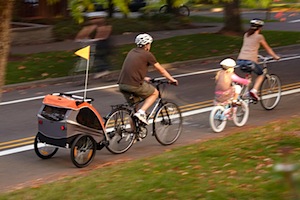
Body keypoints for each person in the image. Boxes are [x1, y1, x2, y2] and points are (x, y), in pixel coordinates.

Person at [118, 33, 178, 125]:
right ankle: (142, 112)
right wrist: (171, 79)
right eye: (149, 44)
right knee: (154, 93)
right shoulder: (147, 54)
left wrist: (143, 77)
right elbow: (161, 70)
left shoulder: (132, 52)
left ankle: (133, 134)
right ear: (147, 45)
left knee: (134, 110)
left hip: (122, 84)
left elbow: (131, 68)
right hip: (134, 85)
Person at [236, 18, 280, 100]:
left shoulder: (246, 35)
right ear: (260, 28)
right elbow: (268, 49)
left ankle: (245, 92)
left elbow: (249, 48)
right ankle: (254, 91)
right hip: (250, 61)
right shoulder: (259, 37)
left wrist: (255, 57)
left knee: (249, 74)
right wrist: (275, 57)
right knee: (261, 74)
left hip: (240, 60)